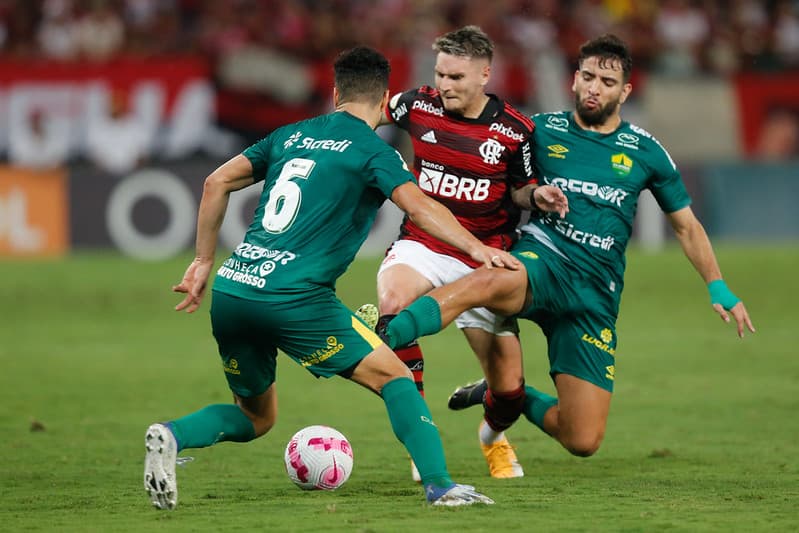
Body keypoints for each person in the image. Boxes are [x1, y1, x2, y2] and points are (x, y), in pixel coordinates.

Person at [142, 46, 520, 510]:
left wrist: (202, 261)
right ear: (385, 102)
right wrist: (477, 248)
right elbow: (420, 206)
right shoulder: (372, 152)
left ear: (336, 92)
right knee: (397, 378)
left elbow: (215, 182)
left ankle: (173, 435)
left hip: (234, 288)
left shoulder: (290, 134)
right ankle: (440, 486)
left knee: (256, 417)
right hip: (296, 299)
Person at [359, 34, 754, 462]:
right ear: (574, 81)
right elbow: (508, 180)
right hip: (542, 261)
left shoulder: (646, 152)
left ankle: (510, 396)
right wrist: (530, 195)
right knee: (489, 278)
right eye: (586, 76)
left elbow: (687, 226)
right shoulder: (540, 130)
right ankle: (386, 330)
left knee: (582, 439)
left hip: (594, 295)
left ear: (625, 91)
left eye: (606, 80)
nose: (593, 87)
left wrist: (718, 286)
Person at [371, 25, 539, 480]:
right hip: (423, 244)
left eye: (457, 77)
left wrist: (538, 197)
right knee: (393, 306)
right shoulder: (418, 104)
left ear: (485, 74)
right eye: (441, 74)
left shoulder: (515, 130)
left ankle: (492, 437)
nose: (444, 85)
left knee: (510, 394)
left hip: (483, 259)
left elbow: (523, 190)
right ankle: (421, 436)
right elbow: (366, 112)